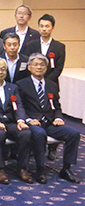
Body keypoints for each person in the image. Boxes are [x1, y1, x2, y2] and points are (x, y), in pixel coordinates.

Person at [16, 53, 80, 183]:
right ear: (29, 67)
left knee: (74, 133)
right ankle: (40, 168)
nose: (39, 67)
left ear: (46, 68)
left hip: (50, 123)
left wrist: (58, 117)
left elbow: (56, 105)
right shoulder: (21, 84)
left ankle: (66, 168)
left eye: (42, 65)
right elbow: (19, 106)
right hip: (32, 123)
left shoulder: (52, 85)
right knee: (40, 134)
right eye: (36, 65)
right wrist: (28, 119)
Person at [26, 14, 65, 87]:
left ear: (52, 28)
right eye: (41, 26)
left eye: (47, 26)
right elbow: (28, 63)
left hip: (52, 83)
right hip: (33, 84)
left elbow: (58, 68)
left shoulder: (59, 47)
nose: (44, 29)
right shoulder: (31, 44)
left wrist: (46, 81)